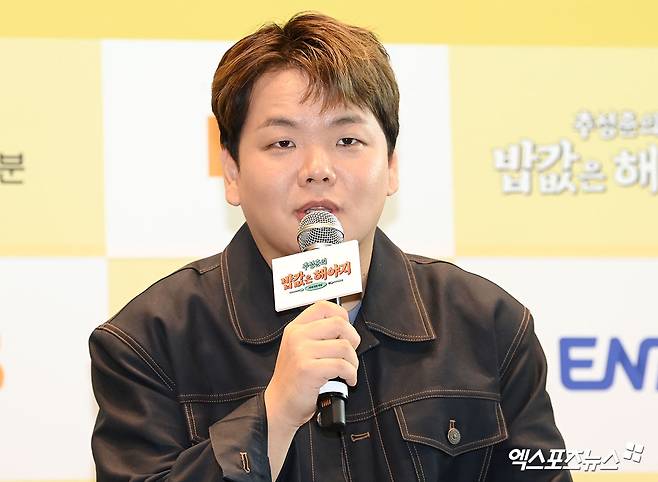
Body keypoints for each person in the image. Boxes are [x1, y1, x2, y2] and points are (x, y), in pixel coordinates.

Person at [90, 12, 572, 481]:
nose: (317, 169)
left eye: (347, 140)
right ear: (232, 172)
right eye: (282, 143)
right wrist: (273, 416)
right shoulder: (147, 343)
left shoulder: (488, 325)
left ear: (392, 166)